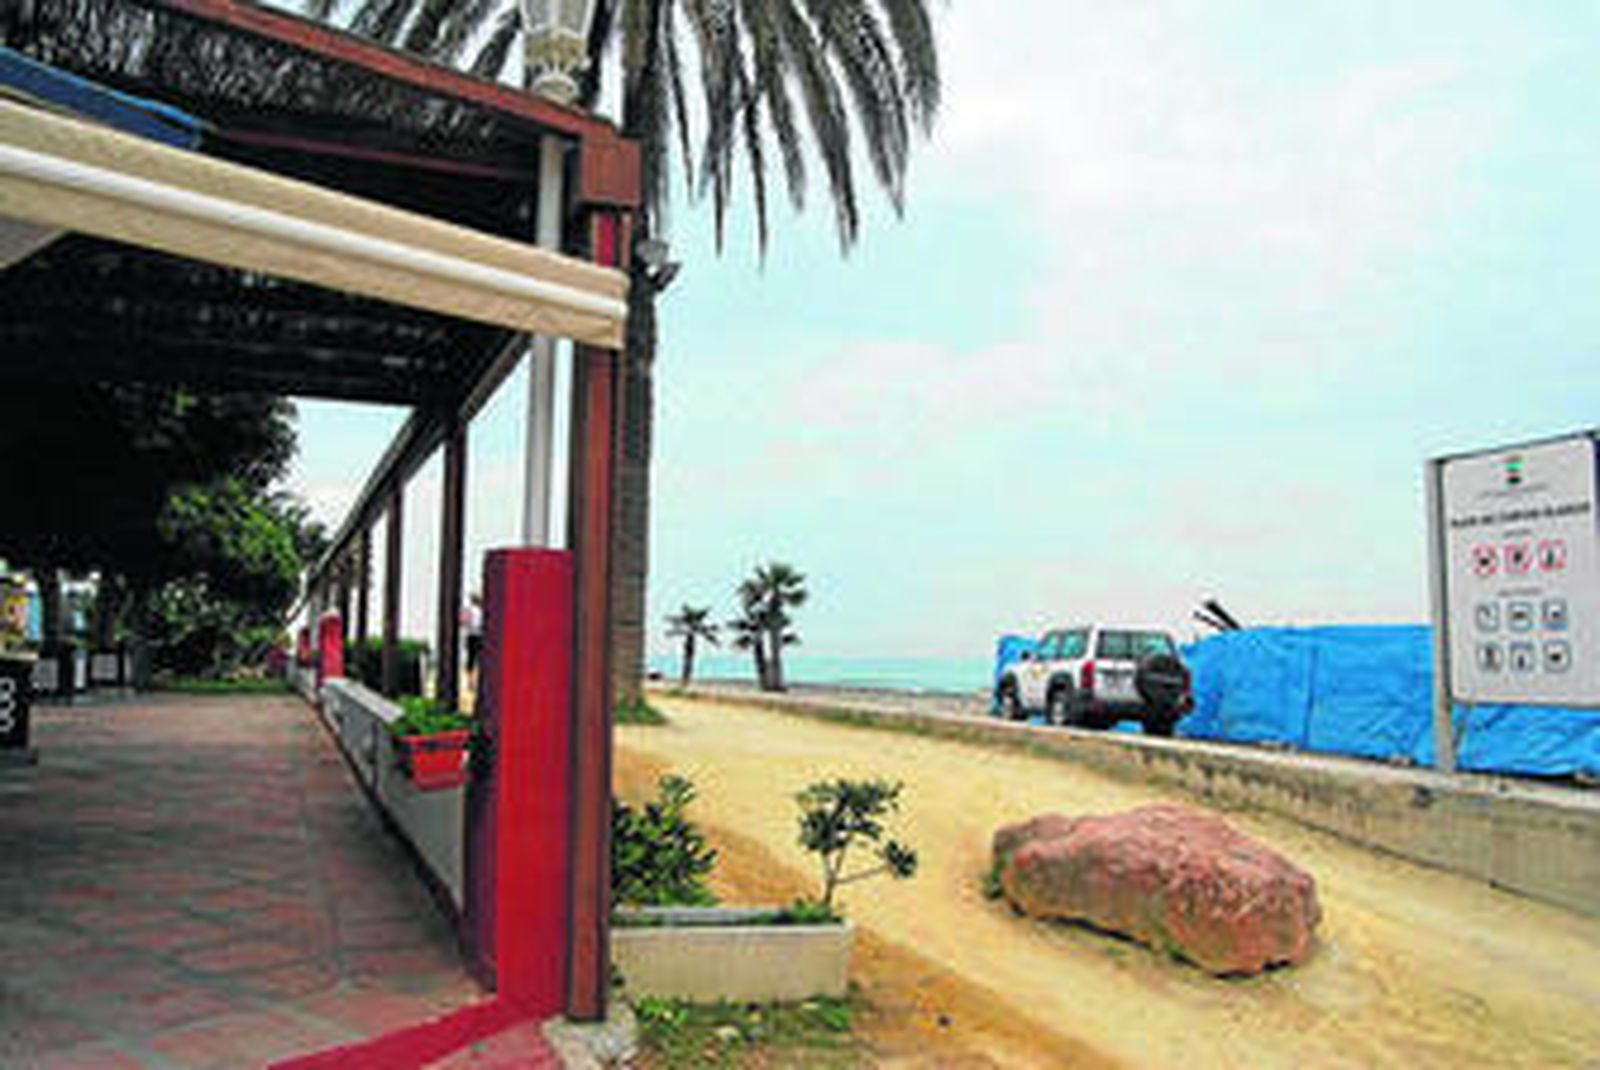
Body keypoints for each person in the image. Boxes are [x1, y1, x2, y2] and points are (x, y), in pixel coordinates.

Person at [462, 592, 484, 688]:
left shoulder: (469, 610)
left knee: (471, 659)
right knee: (477, 659)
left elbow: (464, 622)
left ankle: (471, 681)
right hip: (478, 636)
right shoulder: (481, 611)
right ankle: (473, 681)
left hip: (472, 635)